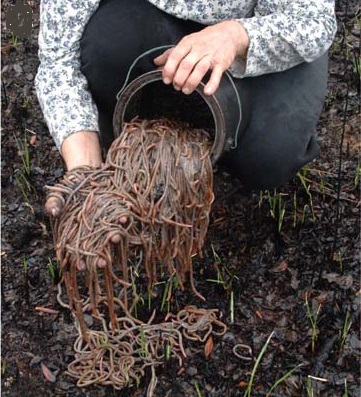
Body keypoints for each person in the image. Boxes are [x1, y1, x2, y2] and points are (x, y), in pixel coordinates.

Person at [35, 0, 337, 217]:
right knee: (105, 46)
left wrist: (234, 36)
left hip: (258, 29)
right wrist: (83, 168)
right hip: (155, 19)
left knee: (270, 155)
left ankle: (230, 140)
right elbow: (58, 59)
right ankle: (138, 145)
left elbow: (311, 21)